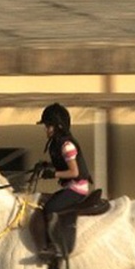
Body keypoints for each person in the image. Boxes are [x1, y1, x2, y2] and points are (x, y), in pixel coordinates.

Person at [35, 102, 92, 260]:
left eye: (48, 126)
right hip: (71, 187)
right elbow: (63, 164)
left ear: (58, 126)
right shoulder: (57, 143)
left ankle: (56, 246)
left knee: (50, 208)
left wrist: (53, 174)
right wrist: (46, 165)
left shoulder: (66, 145)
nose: (46, 130)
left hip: (77, 188)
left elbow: (74, 171)